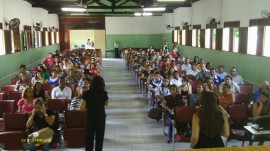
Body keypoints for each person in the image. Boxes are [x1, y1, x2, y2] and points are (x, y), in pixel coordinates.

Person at [80, 76, 109, 151]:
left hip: (90, 118)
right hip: (101, 118)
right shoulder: (103, 93)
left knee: (89, 138)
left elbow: (81, 108)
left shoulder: (86, 93)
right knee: (99, 139)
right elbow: (106, 103)